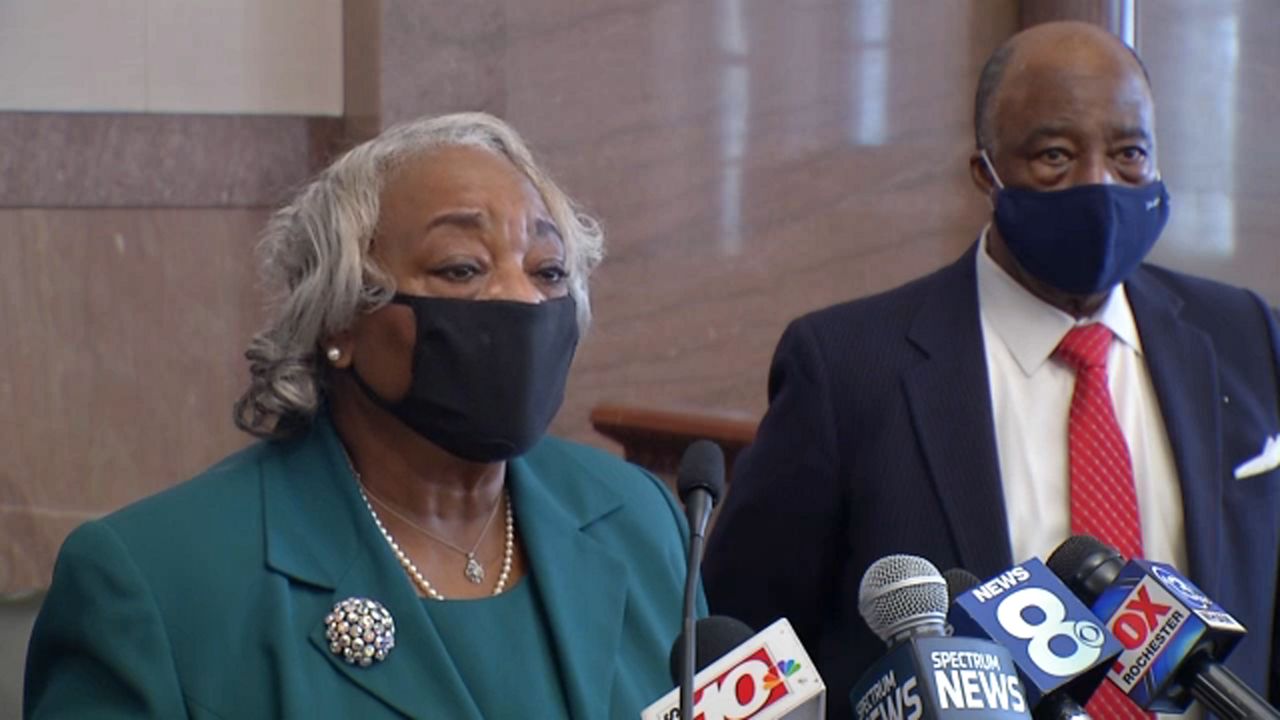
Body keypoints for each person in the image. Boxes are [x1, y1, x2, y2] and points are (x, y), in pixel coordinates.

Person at [25, 112, 702, 719]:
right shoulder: (156, 583)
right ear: (339, 318)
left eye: (549, 272)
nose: (523, 301)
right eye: (462, 268)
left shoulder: (641, 521)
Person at [704, 21, 1280, 719]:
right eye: (1055, 155)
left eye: (1129, 153)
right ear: (986, 172)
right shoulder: (848, 368)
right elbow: (743, 642)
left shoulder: (1245, 335)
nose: (1098, 183)